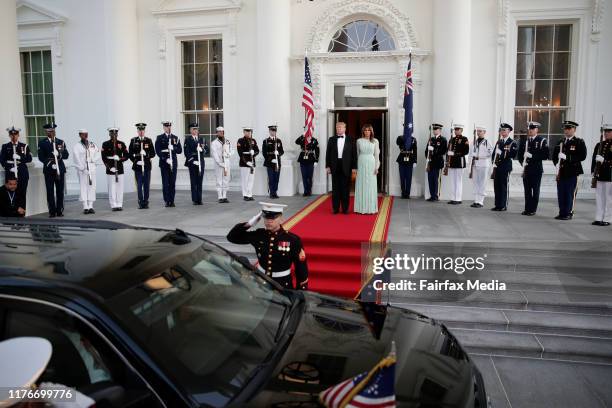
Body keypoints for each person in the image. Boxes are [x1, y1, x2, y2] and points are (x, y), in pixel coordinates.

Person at [227, 202, 308, 290]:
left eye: (273, 218)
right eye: (266, 217)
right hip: (261, 282)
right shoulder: (259, 235)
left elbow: (301, 268)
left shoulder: (292, 239)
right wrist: (248, 224)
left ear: (281, 219)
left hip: (282, 284)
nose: (269, 221)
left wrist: (301, 292)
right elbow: (232, 237)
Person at [552, 120, 587, 220]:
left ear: (574, 130)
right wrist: (557, 164)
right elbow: (554, 156)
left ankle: (568, 212)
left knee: (569, 193)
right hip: (561, 172)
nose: (566, 130)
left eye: (569, 128)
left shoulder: (579, 142)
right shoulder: (560, 142)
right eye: (565, 128)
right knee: (561, 193)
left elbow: (582, 156)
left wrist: (567, 157)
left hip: (572, 172)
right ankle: (562, 212)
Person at [517, 121, 549, 215]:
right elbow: (520, 155)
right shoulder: (525, 141)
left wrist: (532, 156)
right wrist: (522, 163)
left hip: (536, 170)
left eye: (532, 129)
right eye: (529, 129)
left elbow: (545, 155)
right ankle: (527, 208)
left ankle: (533, 209)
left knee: (535, 190)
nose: (530, 131)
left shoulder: (541, 140)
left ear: (537, 130)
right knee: (527, 190)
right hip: (526, 169)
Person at [38, 122, 69, 218]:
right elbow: (41, 157)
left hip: (60, 168)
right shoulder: (42, 143)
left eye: (53, 131)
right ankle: (52, 211)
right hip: (49, 169)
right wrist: (49, 162)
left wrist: (59, 154)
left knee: (60, 191)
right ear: (46, 132)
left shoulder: (61, 142)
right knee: (50, 191)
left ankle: (59, 210)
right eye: (50, 131)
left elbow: (66, 155)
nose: (52, 133)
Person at [326, 122, 357, 214]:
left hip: (346, 166)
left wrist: (354, 167)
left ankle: (345, 209)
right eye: (337, 127)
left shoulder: (351, 139)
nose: (339, 129)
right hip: (335, 166)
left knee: (345, 189)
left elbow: (354, 154)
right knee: (335, 189)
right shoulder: (331, 139)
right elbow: (328, 154)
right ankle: (335, 208)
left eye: (340, 127)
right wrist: (328, 166)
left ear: (345, 129)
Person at [0, 126, 32, 209]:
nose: (14, 136)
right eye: (11, 134)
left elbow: (29, 158)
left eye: (15, 134)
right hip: (10, 172)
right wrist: (8, 167)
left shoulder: (24, 146)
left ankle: (21, 215)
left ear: (18, 135)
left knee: (22, 193)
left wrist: (20, 157)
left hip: (22, 172)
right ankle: (11, 215)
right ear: (9, 135)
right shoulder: (5, 146)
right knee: (10, 194)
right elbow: (2, 160)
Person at [72, 129, 100, 214]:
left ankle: (91, 205)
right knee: (83, 187)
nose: (86, 136)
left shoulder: (92, 144)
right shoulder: (77, 146)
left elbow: (98, 153)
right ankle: (85, 206)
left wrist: (93, 159)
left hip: (92, 168)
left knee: (92, 186)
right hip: (82, 169)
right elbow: (76, 157)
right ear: (80, 135)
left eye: (86, 134)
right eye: (84, 134)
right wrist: (82, 167)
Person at [491, 123, 518, 211]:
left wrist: (501, 153)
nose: (502, 132)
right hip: (497, 166)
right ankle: (497, 204)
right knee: (497, 186)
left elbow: (512, 155)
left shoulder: (512, 142)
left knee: (503, 186)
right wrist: (493, 162)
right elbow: (494, 154)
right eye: (501, 130)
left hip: (505, 167)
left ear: (509, 131)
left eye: (504, 130)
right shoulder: (499, 141)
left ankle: (503, 205)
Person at [128, 123, 156, 209]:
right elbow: (130, 154)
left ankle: (146, 201)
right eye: (139, 130)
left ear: (144, 131)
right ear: (137, 131)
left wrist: (146, 154)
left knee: (146, 185)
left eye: (142, 130)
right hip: (138, 167)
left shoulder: (149, 140)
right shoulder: (133, 141)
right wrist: (136, 162)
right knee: (139, 185)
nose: (141, 132)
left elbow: (153, 153)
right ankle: (140, 201)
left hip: (147, 166)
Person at [155, 121, 182, 207]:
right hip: (164, 163)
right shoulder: (159, 138)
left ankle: (172, 200)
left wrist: (173, 148)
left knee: (172, 183)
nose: (168, 128)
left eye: (169, 127)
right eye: (166, 127)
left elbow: (180, 150)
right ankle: (167, 200)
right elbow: (158, 151)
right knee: (165, 183)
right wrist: (165, 159)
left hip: (173, 163)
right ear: (164, 128)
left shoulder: (175, 138)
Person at [101, 127, 129, 211]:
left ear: (117, 134)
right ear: (109, 134)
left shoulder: (121, 143)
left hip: (120, 168)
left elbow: (127, 155)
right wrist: (109, 168)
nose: (114, 135)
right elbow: (104, 157)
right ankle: (113, 204)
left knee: (120, 187)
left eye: (115, 133)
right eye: (112, 133)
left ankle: (119, 204)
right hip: (110, 168)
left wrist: (120, 159)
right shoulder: (105, 144)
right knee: (112, 188)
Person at [354, 124, 380, 214]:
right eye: (365, 130)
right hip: (361, 163)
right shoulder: (359, 141)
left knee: (370, 185)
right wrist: (356, 167)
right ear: (363, 131)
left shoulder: (375, 141)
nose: (367, 132)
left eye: (369, 130)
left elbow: (377, 155)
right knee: (361, 184)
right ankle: (360, 208)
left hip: (371, 163)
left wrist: (377, 167)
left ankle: (371, 208)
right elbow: (356, 155)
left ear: (371, 131)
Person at [591, 123, 612, 226]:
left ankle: (608, 218)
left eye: (608, 131)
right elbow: (593, 159)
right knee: (599, 196)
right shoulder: (599, 144)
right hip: (600, 174)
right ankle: (599, 217)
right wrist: (593, 171)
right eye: (605, 132)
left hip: (610, 174)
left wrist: (605, 161)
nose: (606, 133)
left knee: (609, 198)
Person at [184, 122, 207, 205]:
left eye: (196, 129)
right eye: (194, 129)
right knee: (193, 182)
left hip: (201, 162)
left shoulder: (202, 139)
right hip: (193, 163)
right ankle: (194, 199)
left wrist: (202, 150)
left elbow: (206, 150)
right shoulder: (188, 139)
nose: (196, 130)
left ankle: (199, 199)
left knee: (200, 181)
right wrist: (193, 160)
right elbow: (187, 152)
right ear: (190, 130)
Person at [445, 124, 469, 205]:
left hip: (459, 162)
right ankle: (453, 198)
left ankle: (458, 199)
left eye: (458, 130)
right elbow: (448, 150)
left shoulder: (464, 139)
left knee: (458, 181)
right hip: (452, 162)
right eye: (455, 130)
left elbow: (466, 151)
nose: (456, 131)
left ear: (461, 130)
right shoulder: (452, 139)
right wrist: (447, 159)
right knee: (452, 181)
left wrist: (455, 154)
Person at [469, 125, 493, 208]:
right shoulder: (474, 141)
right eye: (477, 131)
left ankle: (480, 201)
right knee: (475, 182)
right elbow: (470, 152)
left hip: (483, 165)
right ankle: (476, 200)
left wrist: (480, 156)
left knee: (482, 183)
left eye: (480, 131)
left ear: (484, 132)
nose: (478, 133)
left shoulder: (487, 141)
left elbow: (490, 153)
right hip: (475, 164)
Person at [425, 123, 447, 202]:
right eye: (434, 129)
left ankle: (435, 195)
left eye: (436, 129)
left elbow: (443, 151)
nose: (434, 130)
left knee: (435, 179)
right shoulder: (431, 139)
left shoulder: (443, 140)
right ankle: (432, 195)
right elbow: (426, 151)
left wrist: (433, 150)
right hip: (430, 162)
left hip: (437, 162)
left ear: (440, 130)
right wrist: (427, 158)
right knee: (430, 179)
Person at [211, 126, 233, 203]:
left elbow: (231, 150)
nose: (221, 133)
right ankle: (220, 196)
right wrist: (220, 163)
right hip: (219, 164)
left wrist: (229, 154)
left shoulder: (227, 141)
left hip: (226, 164)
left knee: (226, 180)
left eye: (222, 132)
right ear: (217, 133)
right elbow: (214, 154)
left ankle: (224, 196)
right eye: (219, 132)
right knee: (219, 180)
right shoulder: (214, 143)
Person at [237, 127, 259, 201]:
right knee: (245, 180)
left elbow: (257, 150)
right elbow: (240, 153)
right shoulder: (240, 141)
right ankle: (245, 195)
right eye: (247, 131)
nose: (249, 133)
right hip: (244, 163)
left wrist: (254, 153)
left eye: (250, 131)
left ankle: (250, 194)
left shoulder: (253, 140)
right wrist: (246, 162)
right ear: (244, 132)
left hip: (252, 162)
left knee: (251, 180)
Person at [262, 125, 284, 198]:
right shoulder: (265, 141)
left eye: (274, 131)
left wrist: (279, 153)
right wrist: (271, 159)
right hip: (269, 163)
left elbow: (282, 151)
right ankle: (271, 193)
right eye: (272, 130)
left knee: (276, 178)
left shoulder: (279, 140)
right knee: (271, 178)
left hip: (277, 162)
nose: (273, 132)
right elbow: (264, 153)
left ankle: (275, 192)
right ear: (269, 131)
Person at [295, 131, 320, 196]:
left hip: (311, 160)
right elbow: (296, 142)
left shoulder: (314, 140)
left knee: (309, 176)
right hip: (303, 159)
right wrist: (302, 135)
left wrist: (316, 160)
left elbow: (317, 150)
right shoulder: (302, 139)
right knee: (304, 176)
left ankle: (309, 190)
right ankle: (305, 191)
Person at [396, 129, 417, 199]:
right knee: (402, 177)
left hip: (410, 159)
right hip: (402, 159)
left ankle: (407, 193)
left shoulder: (413, 139)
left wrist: (415, 161)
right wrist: (405, 138)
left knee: (409, 177)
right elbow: (398, 143)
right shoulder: (400, 138)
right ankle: (403, 193)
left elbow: (415, 150)